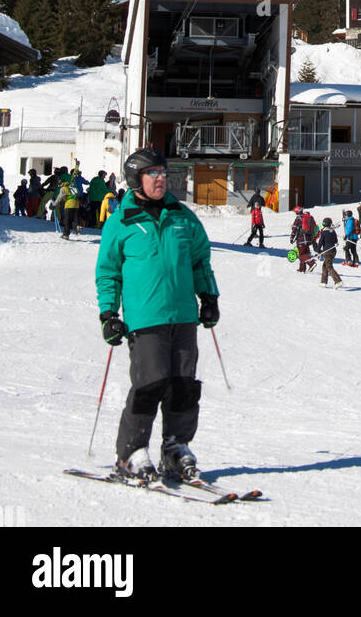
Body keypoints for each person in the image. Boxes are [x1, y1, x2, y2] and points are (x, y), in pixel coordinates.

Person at [95, 148, 219, 482]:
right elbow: (108, 272)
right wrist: (108, 313)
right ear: (136, 179)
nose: (161, 178)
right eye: (153, 173)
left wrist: (208, 297)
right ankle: (131, 454)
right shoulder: (121, 222)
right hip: (145, 318)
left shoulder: (183, 217)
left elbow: (199, 261)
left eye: (163, 172)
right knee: (149, 385)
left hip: (183, 316)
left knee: (183, 386)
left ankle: (176, 448)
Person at [315, 218, 342, 286]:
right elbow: (336, 241)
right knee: (325, 266)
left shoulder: (324, 232)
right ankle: (323, 282)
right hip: (333, 251)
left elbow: (320, 242)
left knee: (329, 266)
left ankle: (338, 281)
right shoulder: (333, 231)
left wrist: (318, 251)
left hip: (327, 252)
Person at [290, 207, 316, 272]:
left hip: (301, 239)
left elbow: (294, 229)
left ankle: (311, 263)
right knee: (305, 254)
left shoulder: (299, 218)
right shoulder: (308, 217)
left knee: (301, 255)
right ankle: (302, 269)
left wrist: (292, 238)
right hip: (309, 239)